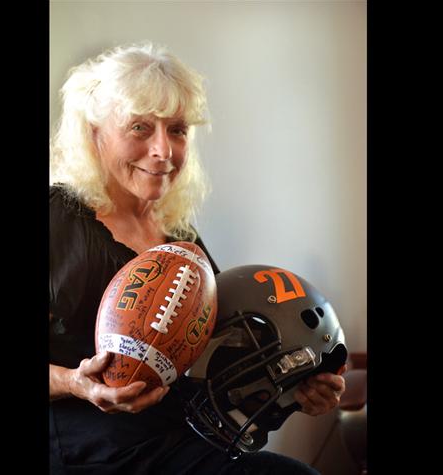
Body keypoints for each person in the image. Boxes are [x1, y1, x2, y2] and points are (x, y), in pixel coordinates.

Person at [49, 42, 346, 475]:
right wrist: (75, 384)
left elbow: (210, 361)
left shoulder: (181, 236)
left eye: (177, 130)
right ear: (94, 133)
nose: (163, 151)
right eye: (139, 128)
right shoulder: (59, 218)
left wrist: (294, 391)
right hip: (95, 452)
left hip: (186, 440)